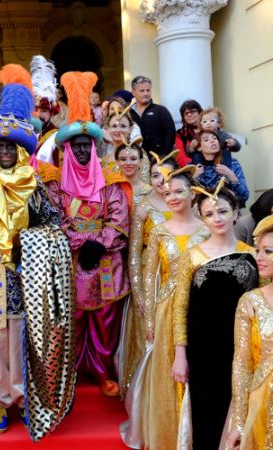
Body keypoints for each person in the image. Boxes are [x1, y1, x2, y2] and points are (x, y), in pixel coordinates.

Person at [0, 64, 75, 439]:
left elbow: (53, 224)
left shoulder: (33, 185)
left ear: (19, 151)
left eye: (10, 148)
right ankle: (0, 401)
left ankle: (25, 397)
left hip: (24, 271)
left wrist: (28, 243)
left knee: (24, 334)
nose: (5, 153)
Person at [43, 71, 131, 397]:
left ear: (94, 149)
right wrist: (81, 241)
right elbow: (54, 221)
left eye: (86, 147)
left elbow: (119, 219)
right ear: (68, 150)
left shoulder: (110, 181)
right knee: (72, 321)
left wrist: (100, 241)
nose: (81, 152)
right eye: (76, 147)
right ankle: (72, 372)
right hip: (71, 261)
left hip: (106, 264)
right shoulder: (56, 186)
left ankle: (102, 372)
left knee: (106, 323)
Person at [120, 167, 208, 449]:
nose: (172, 197)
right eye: (168, 192)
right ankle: (168, 434)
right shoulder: (158, 231)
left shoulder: (208, 230)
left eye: (179, 191)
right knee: (169, 371)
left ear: (193, 194)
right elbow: (149, 276)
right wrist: (147, 315)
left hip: (203, 309)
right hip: (167, 308)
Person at [171, 183, 258, 449]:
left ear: (235, 213)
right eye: (209, 214)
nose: (216, 218)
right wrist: (180, 354)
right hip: (203, 351)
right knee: (206, 414)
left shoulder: (253, 256)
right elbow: (180, 307)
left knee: (240, 411)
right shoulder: (191, 256)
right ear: (202, 218)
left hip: (242, 349)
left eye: (222, 211)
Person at [120, 150, 175, 397]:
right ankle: (144, 395)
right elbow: (132, 254)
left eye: (167, 176)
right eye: (156, 176)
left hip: (175, 276)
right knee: (148, 336)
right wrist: (139, 293)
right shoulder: (142, 207)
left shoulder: (186, 205)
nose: (162, 182)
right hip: (149, 276)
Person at [226, 215, 273, 449]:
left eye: (268, 251)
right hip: (261, 406)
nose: (259, 258)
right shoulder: (251, 301)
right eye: (258, 250)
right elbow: (242, 366)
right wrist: (238, 423)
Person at [192, 129, 248, 204]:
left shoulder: (232, 163)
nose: (212, 141)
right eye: (206, 140)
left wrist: (230, 175)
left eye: (215, 138)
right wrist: (194, 177)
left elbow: (244, 196)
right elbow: (186, 197)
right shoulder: (192, 167)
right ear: (199, 147)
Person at [129, 75, 176, 157]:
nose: (146, 93)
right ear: (133, 92)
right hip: (134, 160)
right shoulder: (128, 113)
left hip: (159, 159)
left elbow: (170, 134)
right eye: (142, 91)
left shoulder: (161, 110)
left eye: (148, 90)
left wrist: (162, 156)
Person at [174, 99, 202, 166]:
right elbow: (180, 156)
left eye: (192, 111)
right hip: (194, 167)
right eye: (186, 113)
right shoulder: (180, 134)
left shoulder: (209, 126)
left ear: (200, 113)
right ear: (183, 117)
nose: (189, 115)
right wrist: (193, 168)